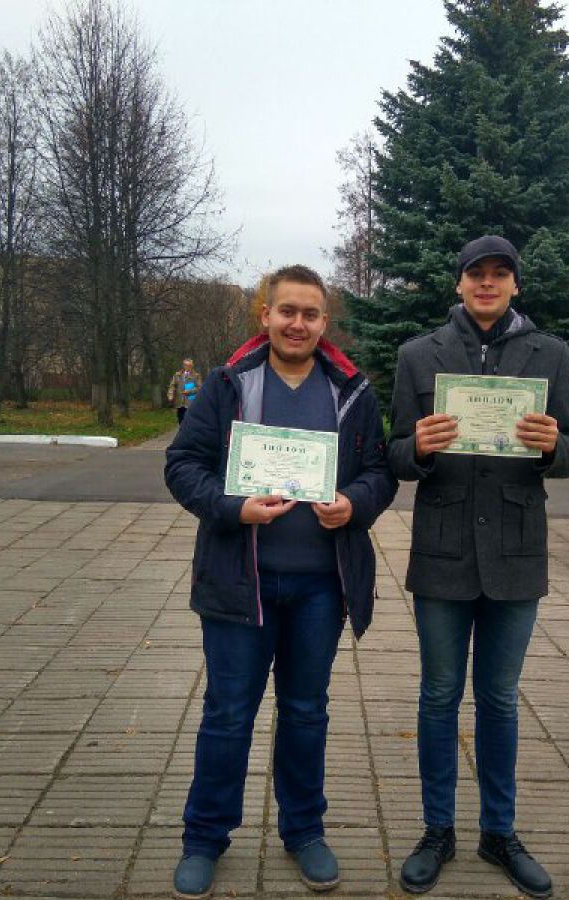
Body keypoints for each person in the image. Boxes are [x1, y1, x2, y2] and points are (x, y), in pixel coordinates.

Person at [164, 265, 397, 899]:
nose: (298, 324)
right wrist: (231, 507)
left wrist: (354, 503)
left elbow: (380, 473)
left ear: (325, 322)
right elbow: (182, 464)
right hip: (241, 582)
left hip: (321, 588)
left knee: (305, 713)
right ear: (264, 315)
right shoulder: (229, 384)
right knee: (227, 714)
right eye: (286, 311)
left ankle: (304, 832)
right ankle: (204, 838)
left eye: (310, 314)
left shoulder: (351, 391)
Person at [387, 236, 569, 899]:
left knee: (499, 699)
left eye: (501, 274)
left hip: (515, 553)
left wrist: (554, 446)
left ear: (515, 285)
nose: (488, 283)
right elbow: (393, 452)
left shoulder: (550, 354)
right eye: (477, 273)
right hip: (442, 551)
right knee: (439, 696)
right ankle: (436, 830)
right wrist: (417, 446)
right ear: (460, 283)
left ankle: (499, 832)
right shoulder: (419, 355)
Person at [168, 359, 202, 425]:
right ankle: (182, 430)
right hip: (179, 402)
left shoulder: (196, 376)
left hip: (190, 402)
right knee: (181, 420)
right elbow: (172, 386)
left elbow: (199, 387)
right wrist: (170, 395)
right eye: (186, 365)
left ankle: (189, 430)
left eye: (189, 365)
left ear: (192, 366)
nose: (187, 367)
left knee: (189, 420)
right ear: (183, 366)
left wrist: (189, 391)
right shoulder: (177, 375)